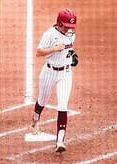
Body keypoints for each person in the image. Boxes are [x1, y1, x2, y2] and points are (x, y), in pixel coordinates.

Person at [31, 8, 78, 153]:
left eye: (71, 27)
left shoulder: (71, 35)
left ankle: (60, 141)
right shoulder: (49, 34)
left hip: (65, 73)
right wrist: (54, 48)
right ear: (59, 23)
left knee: (63, 105)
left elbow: (69, 49)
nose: (69, 29)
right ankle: (35, 119)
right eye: (66, 26)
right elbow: (39, 52)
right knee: (42, 100)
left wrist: (73, 56)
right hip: (49, 72)